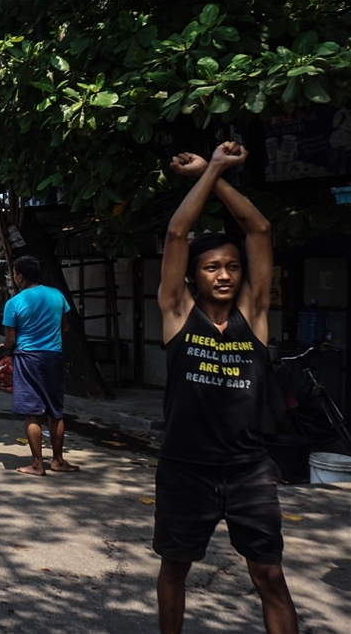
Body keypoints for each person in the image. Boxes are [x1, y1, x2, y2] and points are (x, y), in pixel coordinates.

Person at [156, 142, 296, 634]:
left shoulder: (254, 317)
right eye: (212, 267)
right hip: (184, 466)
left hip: (247, 470)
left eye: (232, 267)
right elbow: (177, 231)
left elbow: (259, 229)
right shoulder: (177, 314)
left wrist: (217, 178)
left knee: (270, 575)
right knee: (174, 570)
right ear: (193, 275)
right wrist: (211, 169)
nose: (224, 274)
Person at [2, 256, 77, 475]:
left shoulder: (14, 303)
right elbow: (65, 327)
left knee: (32, 412)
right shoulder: (57, 295)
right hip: (53, 356)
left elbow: (10, 341)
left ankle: (37, 464)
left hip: (27, 358)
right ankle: (58, 461)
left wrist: (3, 345)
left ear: (20, 276)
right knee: (55, 411)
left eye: (14, 273)